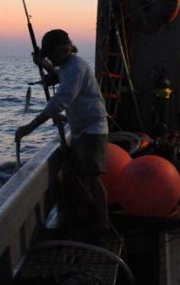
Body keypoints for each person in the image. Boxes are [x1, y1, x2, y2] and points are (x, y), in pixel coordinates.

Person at [15, 29, 110, 233]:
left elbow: (59, 102)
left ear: (61, 50)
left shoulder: (76, 68)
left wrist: (30, 127)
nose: (49, 58)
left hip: (93, 130)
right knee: (80, 176)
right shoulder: (68, 65)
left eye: (50, 54)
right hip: (80, 129)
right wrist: (43, 64)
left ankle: (104, 226)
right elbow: (56, 76)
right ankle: (82, 218)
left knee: (93, 178)